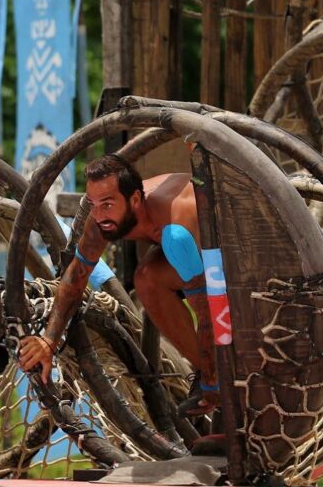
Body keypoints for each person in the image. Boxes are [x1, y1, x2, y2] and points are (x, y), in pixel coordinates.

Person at [19, 153, 220, 415]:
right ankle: (207, 374)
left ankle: (217, 378)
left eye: (107, 204)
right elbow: (75, 277)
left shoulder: (177, 220)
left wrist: (215, 382)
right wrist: (48, 341)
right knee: (146, 279)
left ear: (135, 200)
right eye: (93, 204)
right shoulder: (100, 221)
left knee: (174, 246)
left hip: (230, 253)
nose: (98, 214)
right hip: (189, 257)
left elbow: (206, 310)